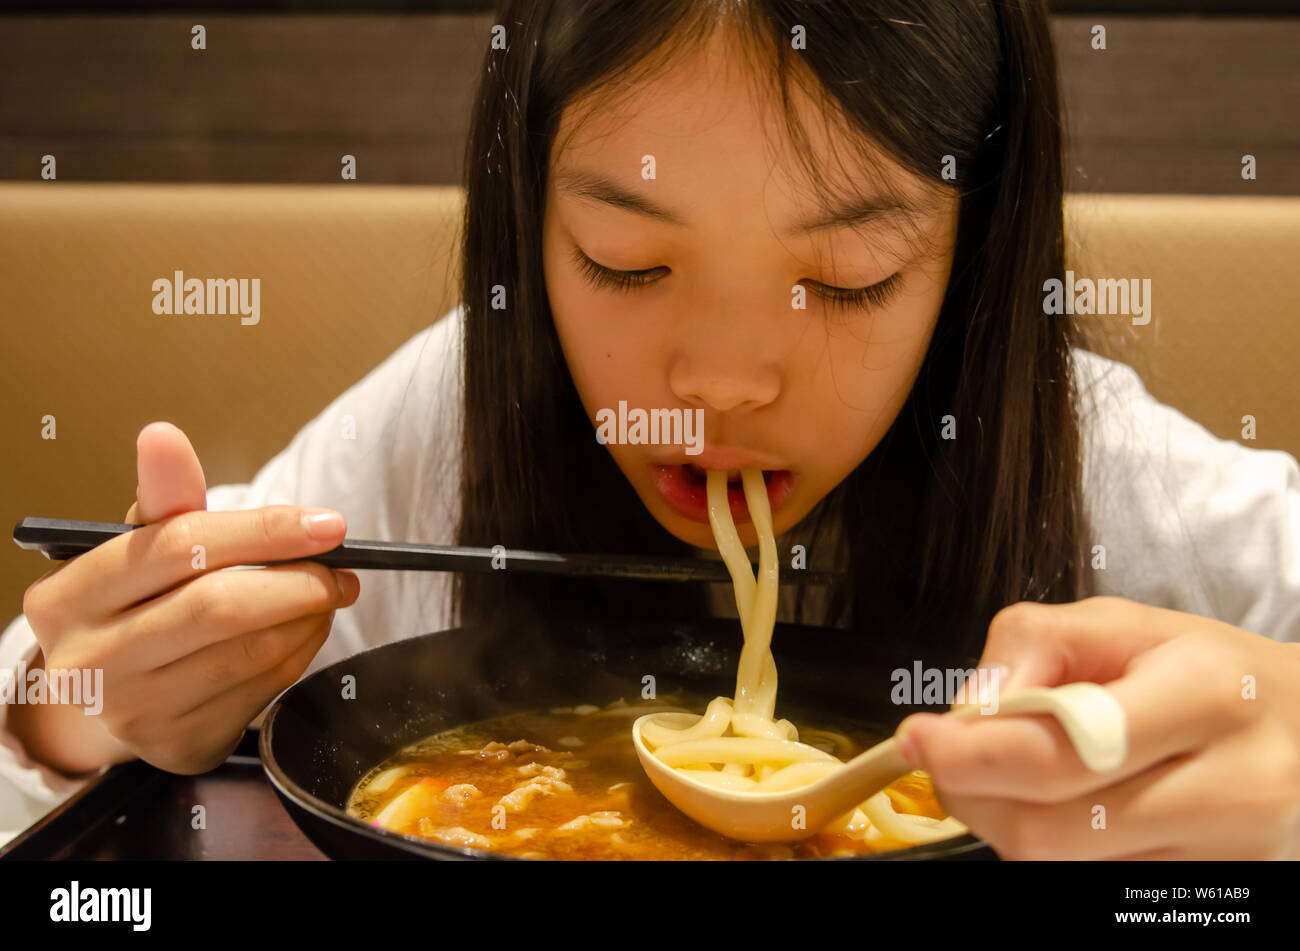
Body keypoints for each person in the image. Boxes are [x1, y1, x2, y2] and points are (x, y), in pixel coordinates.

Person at [3, 0, 1297, 858]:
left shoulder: (1128, 495)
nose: (722, 382)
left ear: (972, 260)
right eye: (624, 261)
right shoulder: (441, 427)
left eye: (849, 282)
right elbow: (54, 704)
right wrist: (73, 716)